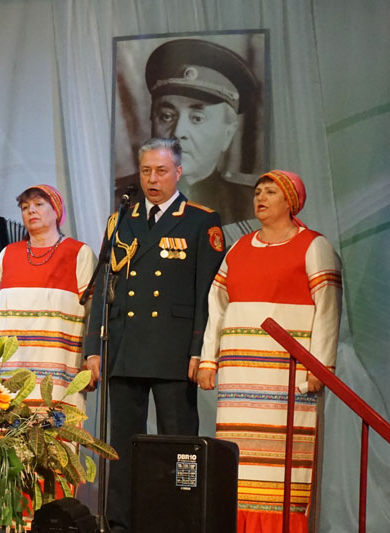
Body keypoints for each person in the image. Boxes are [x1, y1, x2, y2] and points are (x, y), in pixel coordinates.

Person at [86, 138, 225, 532]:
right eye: (146, 171)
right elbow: (103, 288)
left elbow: (207, 294)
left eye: (161, 171)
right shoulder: (121, 219)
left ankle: (180, 521)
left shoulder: (200, 220)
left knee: (179, 445)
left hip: (174, 348)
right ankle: (120, 523)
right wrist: (94, 348)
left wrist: (200, 350)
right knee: (122, 445)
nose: (152, 179)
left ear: (178, 172)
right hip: (125, 344)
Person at [196, 170, 342, 532]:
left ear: (290, 201)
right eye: (258, 191)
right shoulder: (240, 247)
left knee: (281, 472)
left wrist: (320, 366)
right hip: (239, 384)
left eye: (270, 192)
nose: (260, 197)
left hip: (286, 381)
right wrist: (209, 359)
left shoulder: (314, 246)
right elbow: (217, 305)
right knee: (238, 464)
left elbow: (328, 307)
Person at [114, 38, 260, 242]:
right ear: (152, 123)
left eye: (197, 118)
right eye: (167, 116)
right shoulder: (120, 200)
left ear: (228, 134)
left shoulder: (252, 204)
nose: (179, 131)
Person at [0, 184, 95, 411]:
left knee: (54, 430)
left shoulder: (79, 253)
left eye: (39, 204)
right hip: (7, 377)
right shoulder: (8, 254)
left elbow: (93, 310)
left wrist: (91, 356)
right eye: (25, 207)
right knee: (5, 431)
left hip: (58, 376)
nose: (31, 210)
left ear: (56, 211)